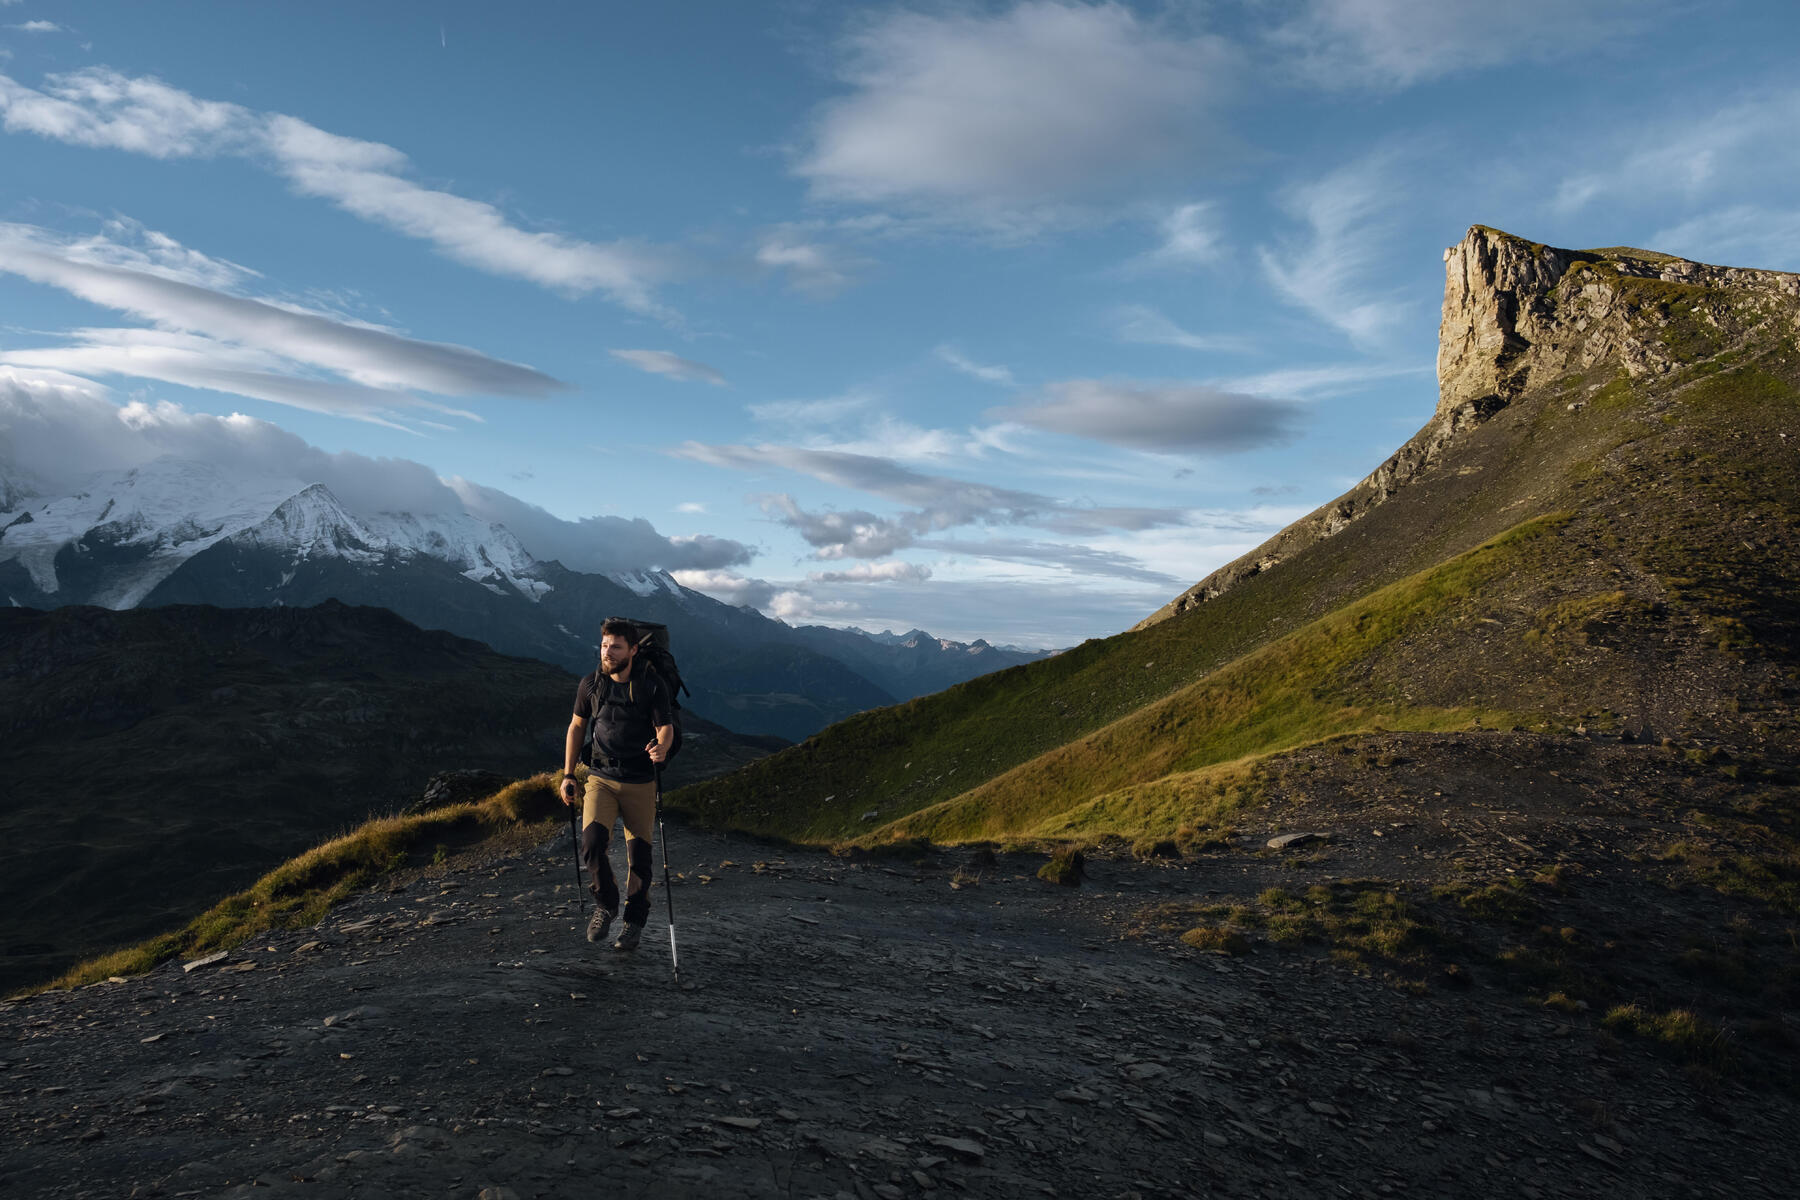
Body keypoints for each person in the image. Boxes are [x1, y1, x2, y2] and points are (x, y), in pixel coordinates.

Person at [561, 617, 674, 951]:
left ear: (634, 650)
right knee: (592, 841)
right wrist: (568, 775)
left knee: (640, 857)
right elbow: (576, 728)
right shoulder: (591, 684)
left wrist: (663, 746)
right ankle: (607, 904)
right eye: (604, 646)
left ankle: (633, 922)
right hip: (601, 778)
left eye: (616, 647)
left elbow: (665, 727)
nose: (607, 653)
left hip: (640, 781)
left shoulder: (651, 686)